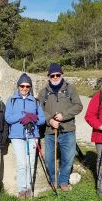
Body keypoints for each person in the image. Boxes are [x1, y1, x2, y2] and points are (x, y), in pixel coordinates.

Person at [38, 63, 83, 192]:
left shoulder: (70, 89)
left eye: (58, 75)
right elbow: (39, 110)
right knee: (49, 160)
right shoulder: (43, 92)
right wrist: (50, 120)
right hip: (50, 131)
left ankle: (63, 181)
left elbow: (78, 106)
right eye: (53, 75)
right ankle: (53, 180)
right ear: (49, 76)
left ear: (62, 75)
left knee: (68, 159)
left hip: (67, 130)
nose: (55, 77)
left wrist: (64, 116)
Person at [5, 73, 46, 199]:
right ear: (18, 86)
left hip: (32, 135)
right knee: (22, 164)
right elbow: (8, 118)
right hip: (17, 137)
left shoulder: (35, 101)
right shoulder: (11, 100)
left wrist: (33, 118)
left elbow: (42, 120)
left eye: (27, 86)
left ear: (30, 87)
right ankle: (21, 189)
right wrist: (22, 115)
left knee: (30, 162)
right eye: (22, 86)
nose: (25, 88)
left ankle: (29, 188)